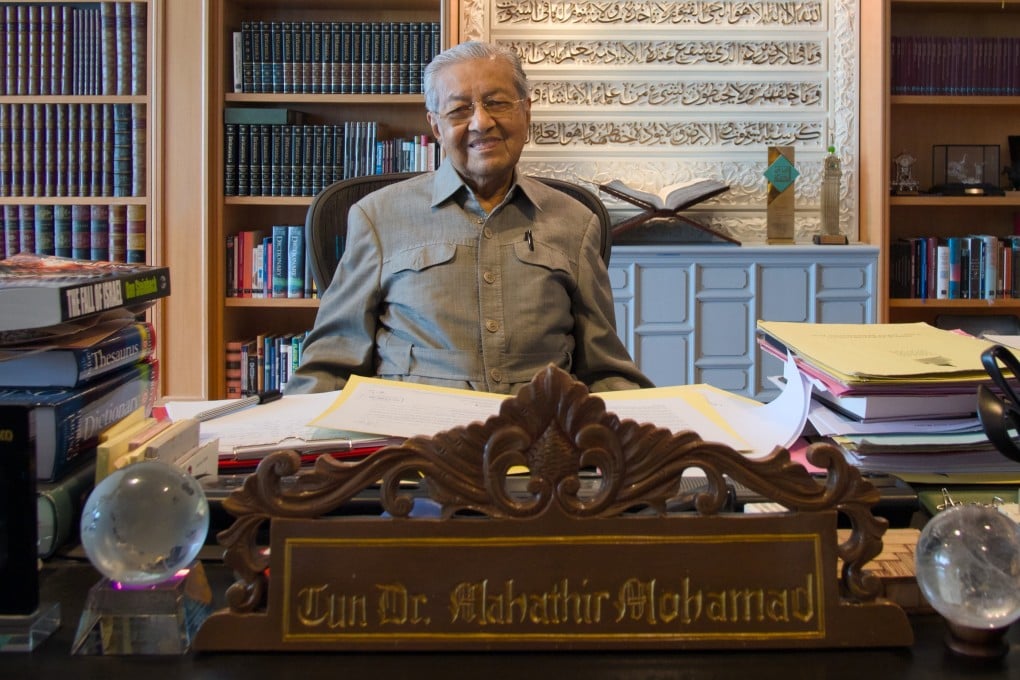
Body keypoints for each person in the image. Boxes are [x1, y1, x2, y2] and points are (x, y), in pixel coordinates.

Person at [285, 41, 652, 395]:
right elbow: (329, 368)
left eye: (497, 103)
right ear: (435, 127)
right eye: (460, 110)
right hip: (413, 442)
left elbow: (606, 372)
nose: (481, 122)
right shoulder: (377, 217)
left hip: (540, 442)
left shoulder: (575, 222)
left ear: (526, 112)